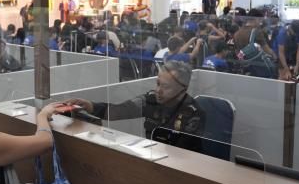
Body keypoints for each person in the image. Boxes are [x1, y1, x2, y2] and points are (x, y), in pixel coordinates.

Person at [66, 61, 205, 142]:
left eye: (166, 87)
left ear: (183, 89)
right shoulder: (151, 100)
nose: (158, 90)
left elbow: (185, 152)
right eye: (158, 84)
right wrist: (89, 105)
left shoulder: (193, 113)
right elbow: (117, 111)